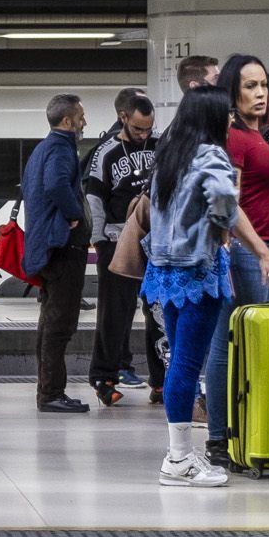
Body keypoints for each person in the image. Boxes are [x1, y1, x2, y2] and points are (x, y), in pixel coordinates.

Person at [140, 85, 240, 488]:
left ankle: (178, 453)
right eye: (227, 112)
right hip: (198, 271)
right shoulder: (211, 154)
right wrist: (221, 225)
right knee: (187, 364)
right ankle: (179, 459)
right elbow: (222, 193)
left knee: (177, 362)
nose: (231, 119)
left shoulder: (169, 157)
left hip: (164, 271)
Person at [202, 54, 269, 464]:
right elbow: (228, 203)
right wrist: (253, 252)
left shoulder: (260, 135)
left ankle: (234, 434)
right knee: (235, 343)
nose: (260, 93)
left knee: (240, 343)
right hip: (249, 251)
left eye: (263, 85)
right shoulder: (235, 138)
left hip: (268, 248)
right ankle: (224, 436)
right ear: (232, 93)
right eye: (250, 87)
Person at [83, 89, 162, 404]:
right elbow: (94, 198)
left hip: (156, 243)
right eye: (139, 128)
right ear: (123, 118)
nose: (144, 134)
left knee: (159, 313)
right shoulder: (106, 152)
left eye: (149, 128)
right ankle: (104, 376)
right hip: (117, 240)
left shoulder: (159, 145)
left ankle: (161, 379)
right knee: (116, 313)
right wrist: (100, 241)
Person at [19, 94, 91, 414]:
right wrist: (74, 213)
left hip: (47, 246)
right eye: (80, 117)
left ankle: (47, 389)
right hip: (62, 246)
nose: (84, 122)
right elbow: (56, 185)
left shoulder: (42, 148)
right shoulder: (62, 148)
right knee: (60, 322)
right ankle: (51, 393)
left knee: (49, 320)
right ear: (67, 121)